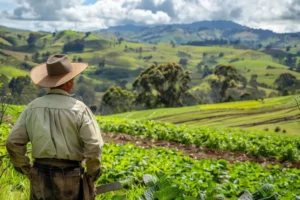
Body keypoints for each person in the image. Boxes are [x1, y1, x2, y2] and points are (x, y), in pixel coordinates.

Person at [6, 54, 104, 200]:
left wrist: (27, 169)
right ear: (69, 83)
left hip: (39, 174)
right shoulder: (80, 110)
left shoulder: (32, 108)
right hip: (71, 176)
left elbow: (12, 142)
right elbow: (94, 146)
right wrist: (91, 176)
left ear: (49, 82)